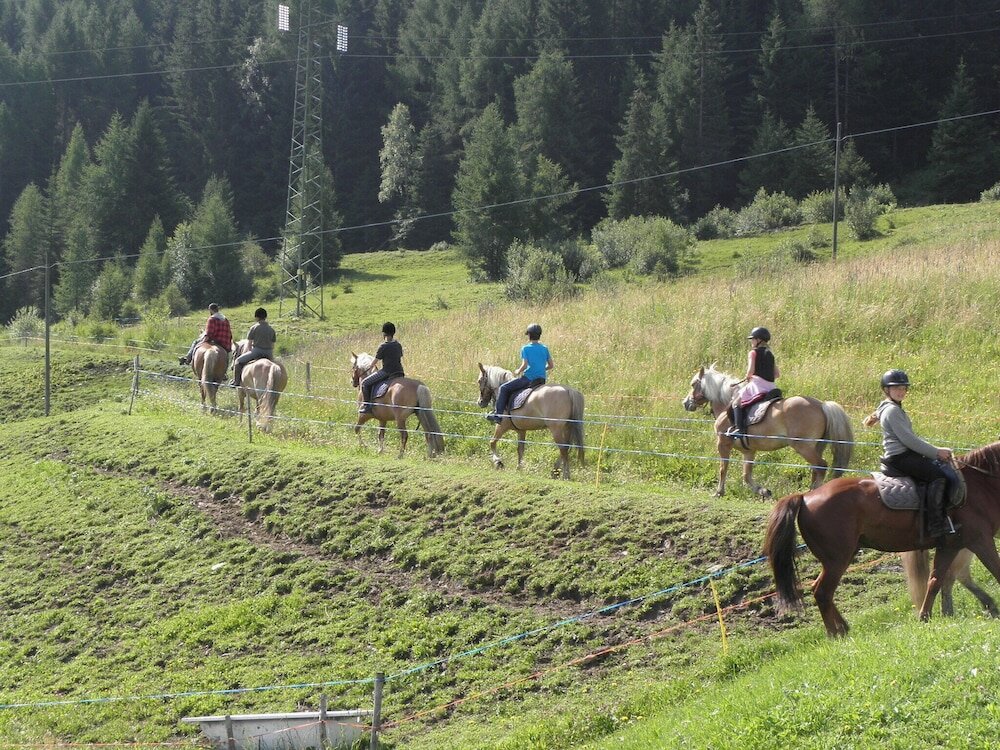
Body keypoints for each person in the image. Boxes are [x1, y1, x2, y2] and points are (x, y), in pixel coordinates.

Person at [864, 369, 959, 536]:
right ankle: (935, 524)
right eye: (896, 388)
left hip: (902, 455)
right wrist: (936, 452)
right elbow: (909, 440)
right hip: (900, 457)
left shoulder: (889, 407)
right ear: (887, 390)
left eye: (903, 388)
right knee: (938, 476)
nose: (901, 392)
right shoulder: (892, 411)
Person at [487, 323, 553, 424]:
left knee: (503, 388)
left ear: (529, 335)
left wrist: (518, 371)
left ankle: (498, 415)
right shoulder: (544, 348)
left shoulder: (525, 348)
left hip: (529, 379)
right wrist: (542, 369)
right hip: (541, 379)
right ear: (539, 335)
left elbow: (525, 365)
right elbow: (551, 365)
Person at [726, 326, 779, 439]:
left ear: (758, 340)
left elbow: (750, 371)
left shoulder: (753, 353)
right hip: (771, 387)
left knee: (736, 402)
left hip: (757, 386)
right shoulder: (770, 353)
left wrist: (747, 377)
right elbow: (777, 374)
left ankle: (740, 430)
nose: (751, 341)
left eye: (753, 339)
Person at [359, 322, 404, 413]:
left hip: (387, 372)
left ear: (384, 333)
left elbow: (374, 362)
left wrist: (371, 366)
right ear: (393, 332)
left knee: (365, 383)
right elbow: (399, 356)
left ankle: (367, 406)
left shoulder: (383, 346)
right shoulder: (398, 345)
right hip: (399, 371)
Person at [232, 307, 276, 387]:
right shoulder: (271, 329)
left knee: (238, 361)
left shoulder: (254, 328)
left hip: (257, 351)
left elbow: (249, 344)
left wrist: (250, 352)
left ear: (256, 317)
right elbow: (273, 345)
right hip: (269, 353)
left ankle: (236, 382)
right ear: (265, 317)